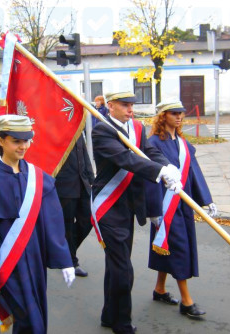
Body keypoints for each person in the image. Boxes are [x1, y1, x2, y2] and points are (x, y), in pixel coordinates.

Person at [0, 114, 75, 333]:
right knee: (32, 323)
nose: (23, 146)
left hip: (36, 257)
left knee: (36, 316)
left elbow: (53, 222)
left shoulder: (37, 177)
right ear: (0, 141)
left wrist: (64, 259)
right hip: (9, 263)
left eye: (26, 140)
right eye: (16, 141)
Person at [91, 91, 182, 334]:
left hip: (127, 205)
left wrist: (167, 165)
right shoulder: (102, 130)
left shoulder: (138, 128)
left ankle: (109, 315)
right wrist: (158, 173)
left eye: (132, 105)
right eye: (124, 105)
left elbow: (148, 152)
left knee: (116, 264)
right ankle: (122, 322)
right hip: (108, 205)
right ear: (110, 106)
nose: (130, 109)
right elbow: (125, 159)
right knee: (123, 268)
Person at [145, 101, 217, 318]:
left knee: (166, 248)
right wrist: (154, 210)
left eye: (181, 113)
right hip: (165, 207)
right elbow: (150, 176)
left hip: (183, 205)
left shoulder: (183, 143)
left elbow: (194, 171)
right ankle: (187, 301)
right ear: (163, 116)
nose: (179, 117)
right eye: (174, 113)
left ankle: (159, 289)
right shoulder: (154, 143)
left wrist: (207, 199)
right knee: (179, 249)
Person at [55, 133, 95, 277]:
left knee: (88, 219)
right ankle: (71, 261)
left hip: (83, 183)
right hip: (64, 184)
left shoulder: (77, 126)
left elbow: (84, 153)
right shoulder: (58, 127)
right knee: (68, 225)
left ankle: (62, 252)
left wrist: (91, 178)